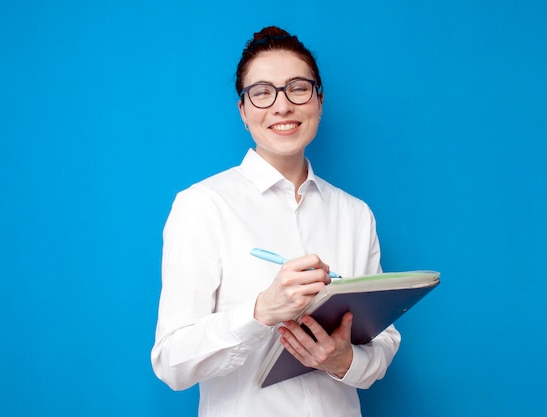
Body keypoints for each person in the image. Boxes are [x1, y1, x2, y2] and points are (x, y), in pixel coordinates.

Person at [151, 26, 401, 417]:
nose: (281, 106)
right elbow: (172, 363)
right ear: (244, 111)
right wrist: (262, 310)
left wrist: (342, 360)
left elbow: (382, 345)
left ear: (319, 102)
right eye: (262, 92)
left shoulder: (355, 214)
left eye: (298, 88)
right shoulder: (203, 205)